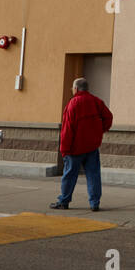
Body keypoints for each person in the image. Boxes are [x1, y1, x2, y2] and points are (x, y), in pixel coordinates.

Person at [50, 77, 113, 212]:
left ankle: (64, 201)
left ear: (76, 89)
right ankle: (94, 203)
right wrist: (100, 130)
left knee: (69, 175)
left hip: (75, 149)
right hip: (92, 147)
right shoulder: (96, 101)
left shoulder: (73, 104)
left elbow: (67, 129)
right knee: (93, 175)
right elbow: (108, 117)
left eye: (72, 88)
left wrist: (64, 149)